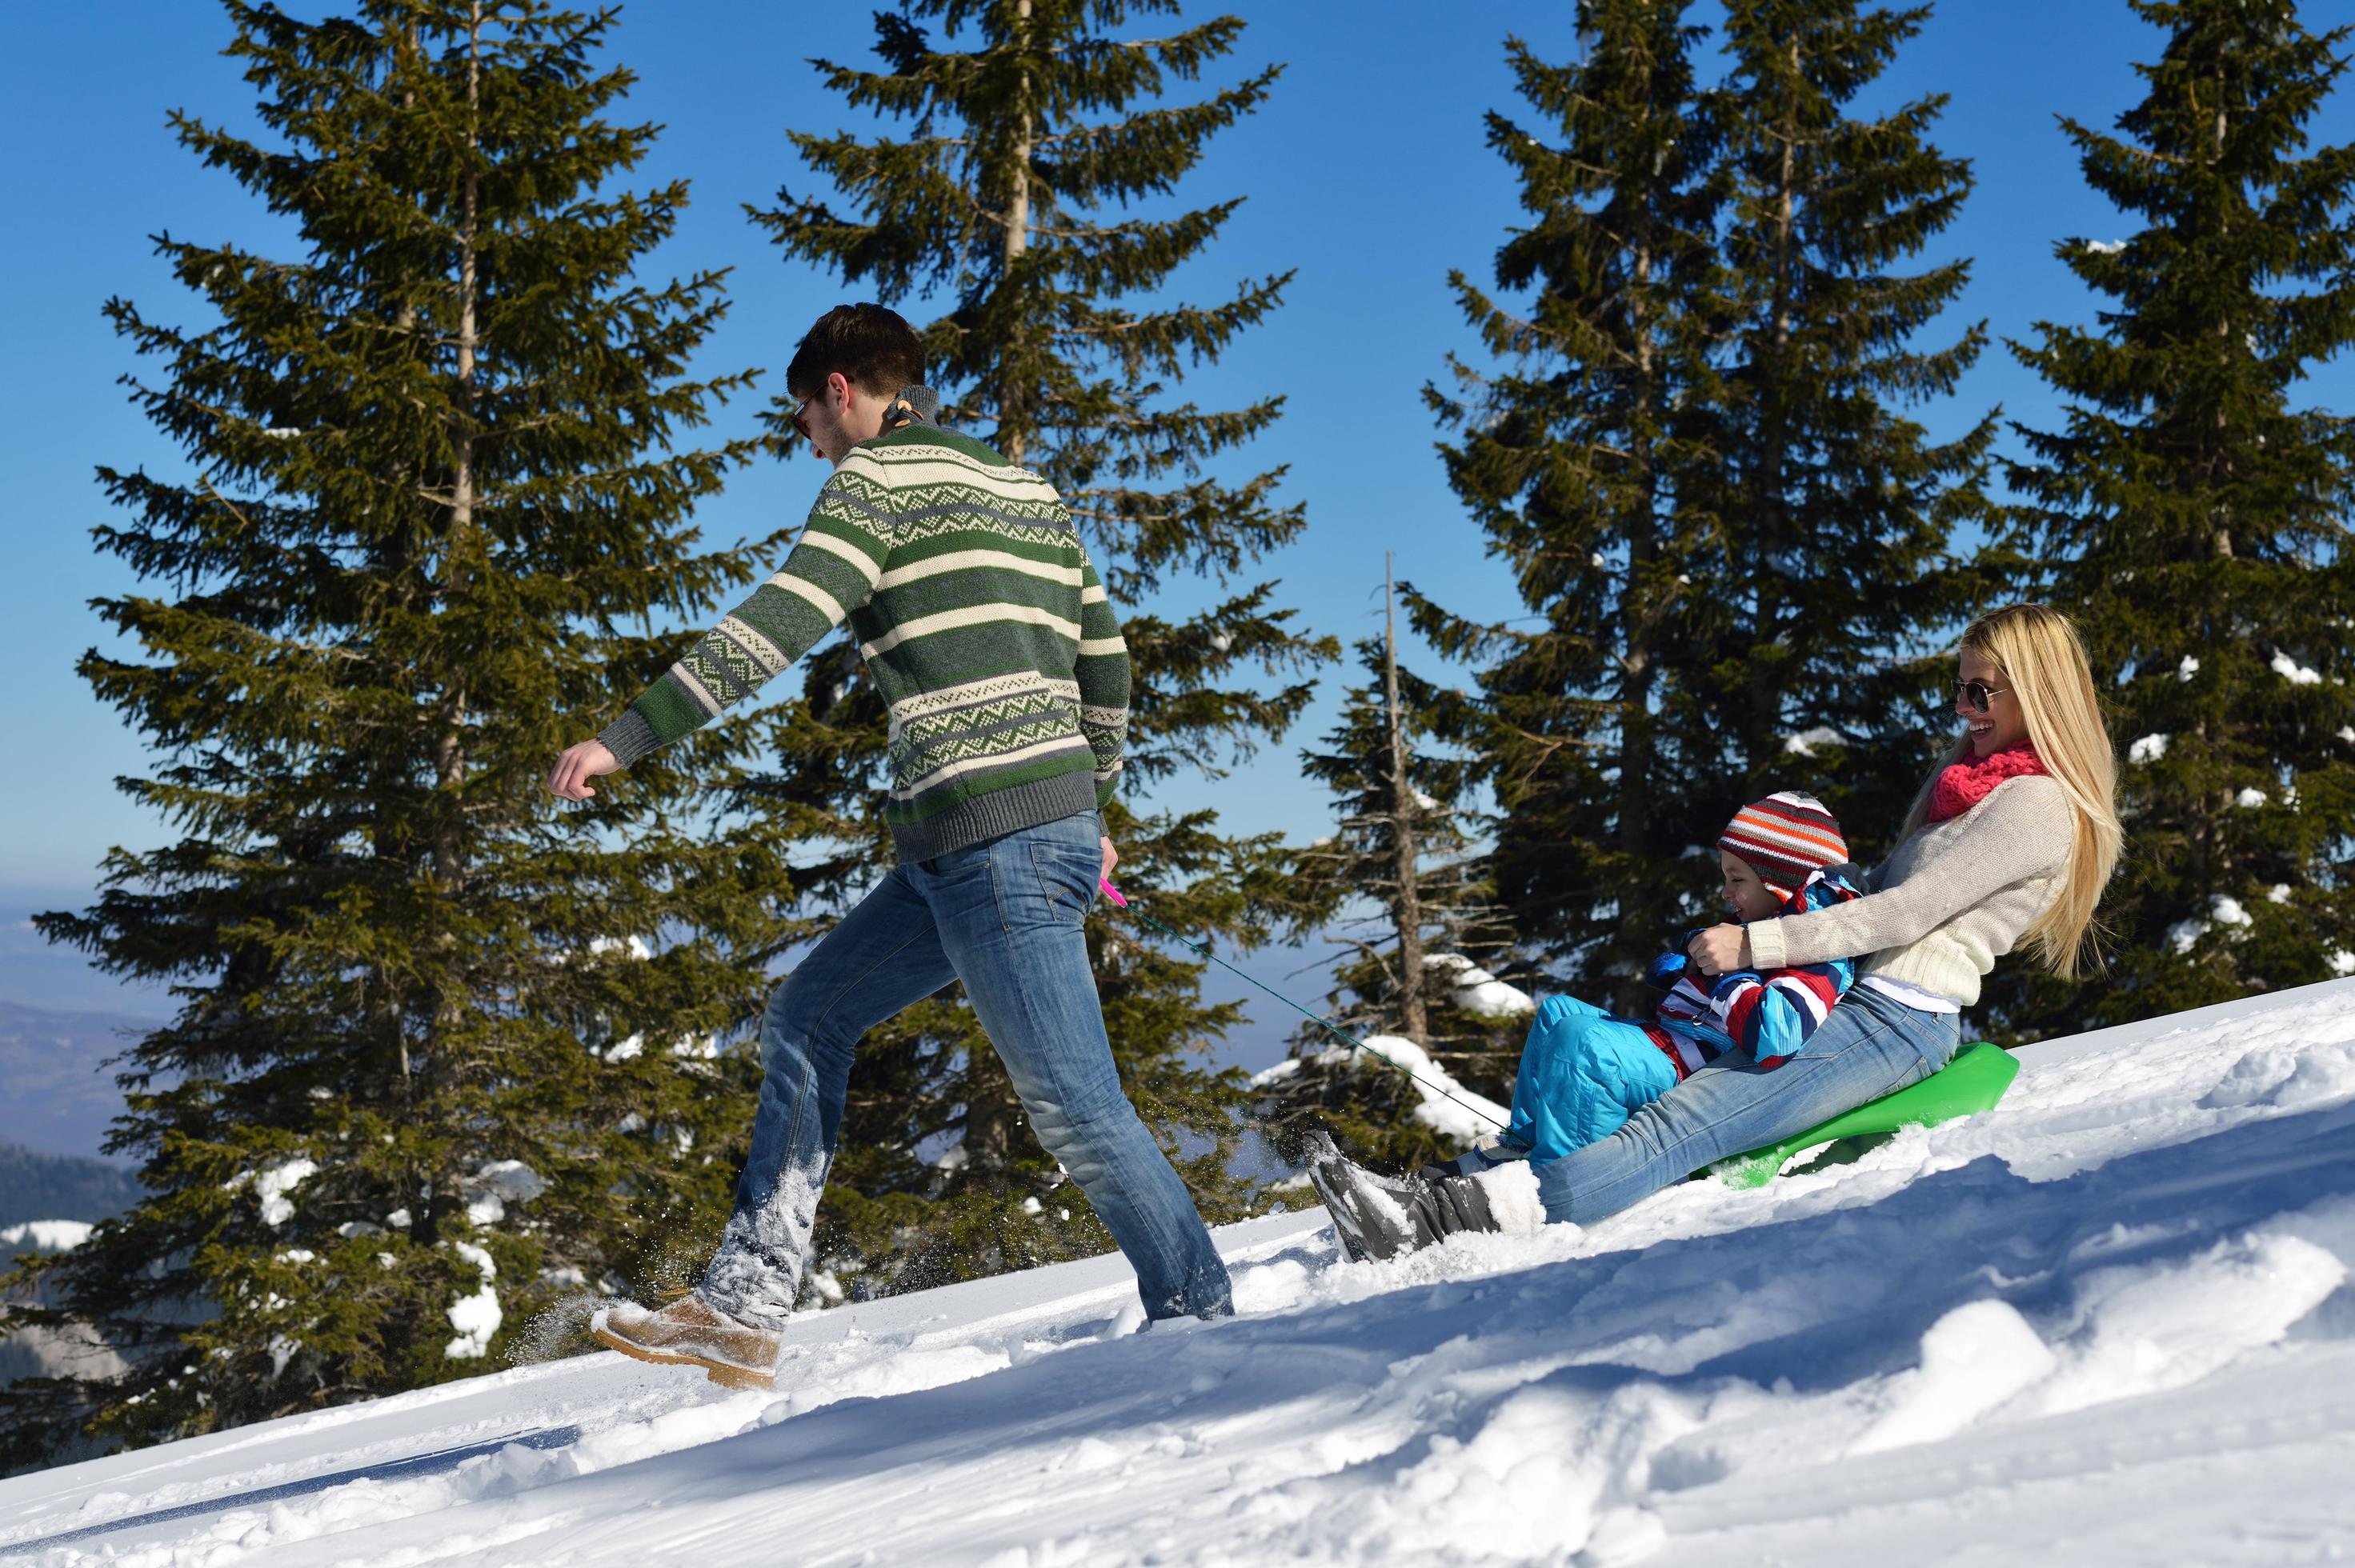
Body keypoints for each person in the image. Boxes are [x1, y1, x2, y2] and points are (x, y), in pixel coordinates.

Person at [550, 304, 1233, 1388]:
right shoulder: (1027, 490)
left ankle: (1201, 1319)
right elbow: (1104, 664)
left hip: (995, 847)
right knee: (812, 1013)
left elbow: (781, 617)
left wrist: (625, 737)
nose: (808, 448)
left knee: (1073, 1104)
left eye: (803, 424)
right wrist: (1087, 807)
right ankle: (742, 1306)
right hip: (968, 848)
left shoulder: (869, 484)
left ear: (837, 391)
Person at [1308, 602, 2122, 1261]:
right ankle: (1438, 1190)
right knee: (1644, 1081)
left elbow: (1903, 916)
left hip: (1895, 1019)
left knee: (1678, 1127)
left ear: (2040, 695)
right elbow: (1875, 896)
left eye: (1983, 692)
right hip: (1848, 998)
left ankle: (1441, 1223)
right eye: (1961, 688)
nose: (1963, 708)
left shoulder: (2036, 804)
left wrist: (1753, 948)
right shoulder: (1971, 790)